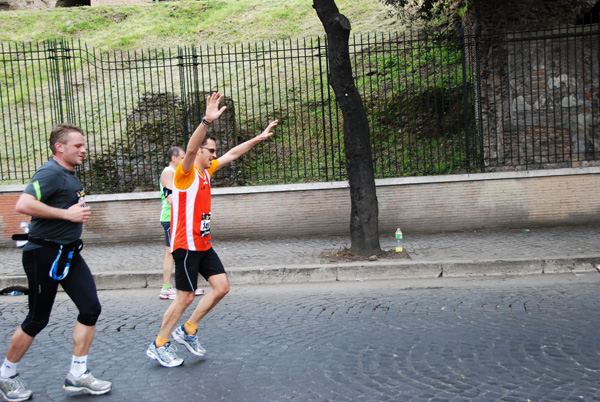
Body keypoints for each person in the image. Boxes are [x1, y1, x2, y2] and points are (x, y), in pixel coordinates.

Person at [146, 92, 278, 367]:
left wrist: (257, 138)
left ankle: (188, 330)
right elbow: (191, 149)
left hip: (204, 244)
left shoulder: (207, 172)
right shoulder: (185, 173)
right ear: (199, 152)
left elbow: (232, 153)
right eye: (211, 151)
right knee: (185, 297)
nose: (215, 155)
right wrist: (206, 121)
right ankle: (159, 343)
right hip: (185, 245)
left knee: (221, 287)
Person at [0, 124, 111, 401]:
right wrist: (65, 215)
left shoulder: (69, 174)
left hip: (69, 254)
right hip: (43, 255)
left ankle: (77, 375)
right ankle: (6, 376)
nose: (83, 150)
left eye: (83, 145)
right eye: (77, 146)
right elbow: (23, 204)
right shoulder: (50, 172)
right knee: (37, 318)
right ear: (59, 148)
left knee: (90, 308)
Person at [158, 146, 204, 300]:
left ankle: (189, 286)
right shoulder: (167, 173)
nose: (185, 160)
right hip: (170, 218)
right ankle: (166, 288)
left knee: (186, 251)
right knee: (171, 253)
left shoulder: (177, 173)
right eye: (182, 157)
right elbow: (171, 199)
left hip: (179, 217)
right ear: (174, 158)